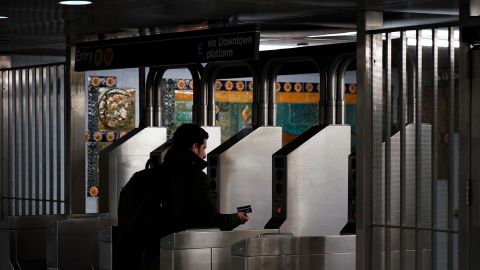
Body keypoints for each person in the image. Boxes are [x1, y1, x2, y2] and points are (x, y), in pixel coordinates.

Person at [117, 123, 249, 270]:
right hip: (169, 256)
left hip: (133, 257)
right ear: (194, 147)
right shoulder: (195, 178)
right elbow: (210, 219)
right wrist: (237, 218)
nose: (205, 154)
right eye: (203, 148)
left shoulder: (142, 177)